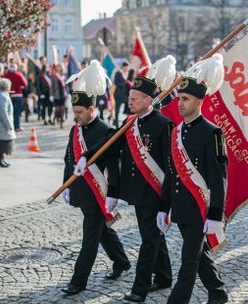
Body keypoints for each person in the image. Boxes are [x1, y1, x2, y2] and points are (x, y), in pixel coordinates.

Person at [77, 74, 175, 303]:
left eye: (136, 98)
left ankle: (139, 288)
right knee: (153, 235)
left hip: (155, 191)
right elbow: (110, 142)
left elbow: (171, 166)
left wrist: (165, 204)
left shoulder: (163, 125)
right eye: (129, 97)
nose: (130, 101)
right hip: (138, 192)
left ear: (149, 100)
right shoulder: (130, 122)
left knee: (149, 239)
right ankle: (164, 276)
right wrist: (86, 156)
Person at [158, 55, 229, 304]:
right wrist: (163, 206)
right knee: (198, 257)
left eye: (185, 99)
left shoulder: (213, 133)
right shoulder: (176, 132)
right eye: (179, 98)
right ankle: (218, 292)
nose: (180, 103)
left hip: (201, 208)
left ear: (199, 101)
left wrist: (215, 216)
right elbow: (171, 172)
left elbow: (219, 178)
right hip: (181, 207)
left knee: (188, 263)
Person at [61, 61, 130, 296]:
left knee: (89, 238)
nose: (76, 117)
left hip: (97, 195)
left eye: (79, 112)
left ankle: (78, 281)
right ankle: (121, 261)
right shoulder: (75, 130)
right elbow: (68, 159)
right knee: (102, 232)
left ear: (92, 109)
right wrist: (65, 186)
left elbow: (114, 168)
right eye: (74, 112)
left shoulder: (106, 131)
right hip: (81, 191)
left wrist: (113, 195)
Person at [0, 78, 16, 168]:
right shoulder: (2, 96)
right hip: (2, 125)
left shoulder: (0, 95)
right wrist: (8, 125)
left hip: (0, 124)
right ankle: (0, 160)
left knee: (1, 142)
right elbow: (3, 112)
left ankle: (1, 159)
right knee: (2, 143)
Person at [3, 63, 28, 131]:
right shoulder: (18, 75)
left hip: (8, 94)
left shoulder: (6, 75)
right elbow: (25, 84)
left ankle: (10, 126)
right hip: (18, 95)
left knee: (9, 112)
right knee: (17, 112)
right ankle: (16, 127)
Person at [50, 63, 66, 128]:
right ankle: (54, 118)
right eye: (58, 67)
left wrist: (67, 92)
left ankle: (61, 123)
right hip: (56, 94)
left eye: (60, 67)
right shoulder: (54, 76)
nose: (59, 68)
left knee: (62, 108)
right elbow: (52, 86)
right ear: (56, 68)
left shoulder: (64, 75)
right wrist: (51, 95)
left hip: (63, 93)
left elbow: (66, 84)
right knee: (57, 109)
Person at [113, 62, 129, 127]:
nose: (127, 69)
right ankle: (116, 122)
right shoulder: (118, 73)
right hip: (118, 94)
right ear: (123, 66)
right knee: (117, 109)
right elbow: (115, 82)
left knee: (128, 107)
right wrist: (123, 84)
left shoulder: (126, 74)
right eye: (126, 67)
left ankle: (127, 121)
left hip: (124, 95)